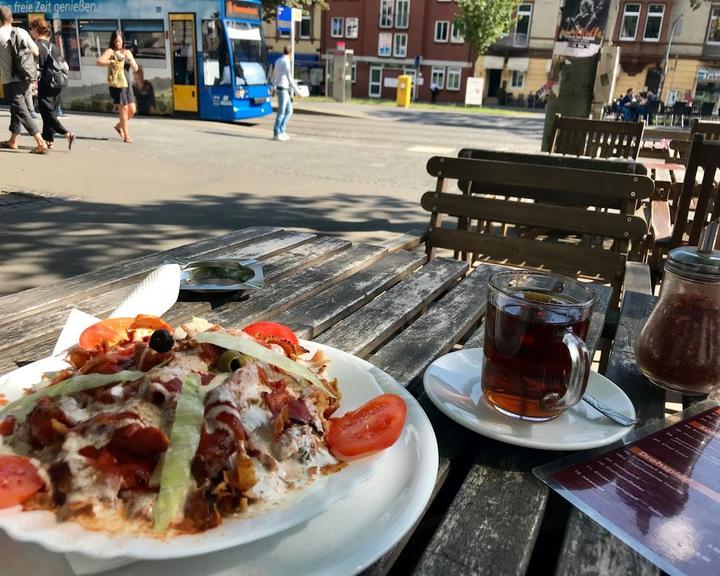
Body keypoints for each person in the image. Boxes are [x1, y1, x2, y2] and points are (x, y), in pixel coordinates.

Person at [0, 7, 48, 153]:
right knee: (18, 107)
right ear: (12, 19)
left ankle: (41, 143)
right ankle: (13, 140)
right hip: (26, 77)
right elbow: (36, 50)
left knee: (20, 109)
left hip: (10, 79)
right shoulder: (22, 32)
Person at [30, 18, 74, 151]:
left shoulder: (36, 46)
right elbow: (65, 66)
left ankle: (67, 133)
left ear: (37, 30)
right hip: (58, 83)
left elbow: (35, 67)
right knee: (51, 111)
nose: (31, 31)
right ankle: (48, 140)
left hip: (45, 83)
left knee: (46, 112)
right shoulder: (54, 46)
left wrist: (33, 84)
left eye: (32, 28)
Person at [97, 30, 138, 143]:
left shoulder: (127, 52)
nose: (117, 43)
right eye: (115, 41)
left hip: (127, 84)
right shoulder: (111, 51)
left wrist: (130, 59)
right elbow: (99, 61)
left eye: (119, 41)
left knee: (132, 110)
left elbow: (135, 68)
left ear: (123, 40)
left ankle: (120, 126)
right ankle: (126, 135)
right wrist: (111, 61)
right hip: (117, 84)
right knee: (124, 109)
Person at [271, 45, 303, 141]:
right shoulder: (286, 62)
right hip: (283, 89)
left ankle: (282, 130)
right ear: (290, 53)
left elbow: (274, 76)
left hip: (282, 89)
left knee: (289, 111)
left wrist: (273, 88)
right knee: (282, 112)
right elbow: (290, 78)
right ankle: (277, 133)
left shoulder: (277, 61)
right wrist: (298, 91)